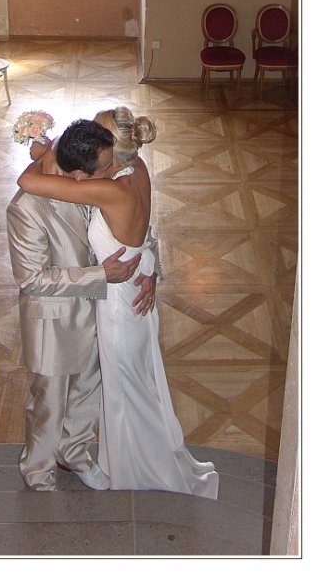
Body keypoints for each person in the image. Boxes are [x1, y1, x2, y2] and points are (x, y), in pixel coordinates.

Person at [17, 109, 219, 497]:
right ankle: (126, 462)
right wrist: (151, 267)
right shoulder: (137, 168)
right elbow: (141, 235)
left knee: (126, 392)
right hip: (134, 295)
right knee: (135, 385)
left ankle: (142, 472)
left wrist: (46, 151)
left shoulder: (108, 189)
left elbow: (28, 180)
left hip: (118, 306)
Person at [7, 121, 155, 492]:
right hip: (54, 323)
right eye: (106, 168)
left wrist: (152, 267)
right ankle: (38, 472)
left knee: (88, 392)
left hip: (99, 312)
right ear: (79, 176)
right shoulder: (26, 209)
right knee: (50, 404)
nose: (114, 171)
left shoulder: (94, 177)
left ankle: (74, 454)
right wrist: (100, 275)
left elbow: (134, 224)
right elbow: (31, 279)